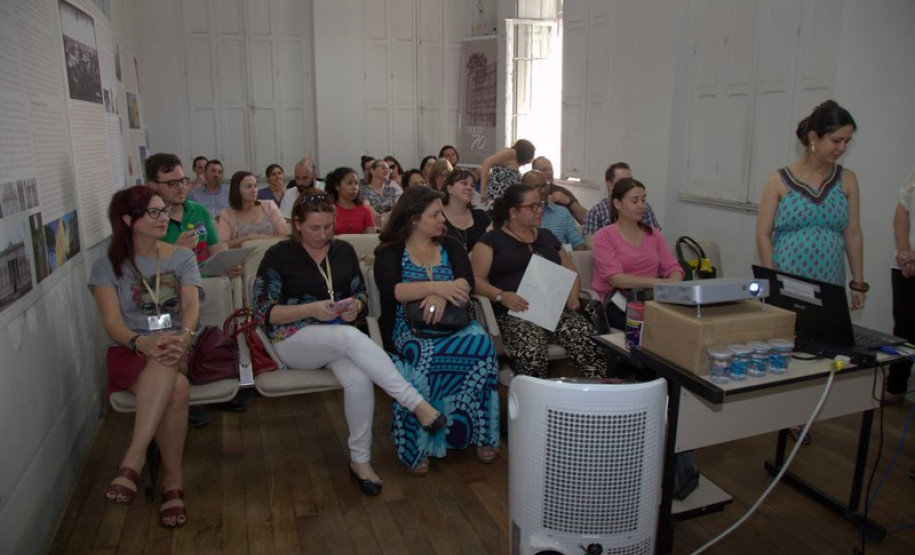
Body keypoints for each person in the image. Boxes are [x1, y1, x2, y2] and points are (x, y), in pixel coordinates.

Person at [251, 193, 445, 494]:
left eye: (328, 227)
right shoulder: (279, 256)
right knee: (350, 337)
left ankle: (360, 461)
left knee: (359, 380)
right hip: (291, 339)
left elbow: (360, 293)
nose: (323, 235)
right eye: (314, 228)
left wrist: (356, 306)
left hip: (337, 337)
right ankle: (416, 404)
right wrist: (311, 310)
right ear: (297, 224)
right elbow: (264, 312)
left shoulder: (343, 250)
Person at [89, 185, 198, 528]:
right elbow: (112, 324)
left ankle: (133, 459)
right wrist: (141, 343)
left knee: (167, 354)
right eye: (153, 212)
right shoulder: (108, 266)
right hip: (130, 349)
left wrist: (183, 337)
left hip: (177, 345)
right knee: (177, 389)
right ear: (128, 220)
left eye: (164, 211)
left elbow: (191, 307)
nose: (163, 218)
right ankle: (173, 481)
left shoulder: (182, 257)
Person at [756, 100, 862, 445]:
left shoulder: (846, 180)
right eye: (836, 140)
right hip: (789, 279)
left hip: (828, 280)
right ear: (814, 138)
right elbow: (763, 233)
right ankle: (782, 413)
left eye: (847, 141)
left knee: (820, 351)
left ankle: (803, 413)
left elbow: (853, 233)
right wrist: (771, 279)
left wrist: (858, 281)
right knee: (787, 348)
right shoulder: (779, 180)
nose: (841, 148)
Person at [374, 187, 500, 472]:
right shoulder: (389, 250)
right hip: (407, 326)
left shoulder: (451, 245)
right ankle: (418, 444)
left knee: (481, 345)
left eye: (442, 213)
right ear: (414, 219)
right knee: (422, 354)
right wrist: (438, 287)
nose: (443, 219)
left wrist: (444, 296)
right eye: (435, 215)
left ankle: (482, 434)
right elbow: (393, 290)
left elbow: (466, 281)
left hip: (453, 320)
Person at [146, 153, 245, 421]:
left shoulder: (197, 211)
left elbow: (215, 250)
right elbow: (142, 268)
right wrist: (174, 249)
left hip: (206, 287)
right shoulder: (147, 219)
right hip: (165, 297)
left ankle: (219, 382)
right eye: (172, 183)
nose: (181, 187)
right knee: (176, 344)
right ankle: (185, 399)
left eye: (183, 180)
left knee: (215, 334)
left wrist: (227, 264)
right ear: (153, 185)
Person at [471, 185, 607, 379]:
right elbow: (475, 280)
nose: (539, 210)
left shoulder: (546, 236)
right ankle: (534, 395)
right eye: (532, 206)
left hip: (554, 310)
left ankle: (595, 393)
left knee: (588, 340)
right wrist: (501, 296)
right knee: (531, 349)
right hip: (516, 312)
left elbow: (571, 271)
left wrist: (573, 296)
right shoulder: (491, 240)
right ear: (514, 212)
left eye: (540, 205)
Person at [591, 178, 684, 329]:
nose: (641, 206)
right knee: (649, 325)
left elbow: (673, 268)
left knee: (683, 322)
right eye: (635, 201)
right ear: (617, 204)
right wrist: (661, 283)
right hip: (618, 299)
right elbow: (616, 279)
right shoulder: (604, 236)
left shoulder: (653, 234)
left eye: (643, 200)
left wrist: (674, 282)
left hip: (652, 298)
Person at [884, 170, 915, 405]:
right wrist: (905, 254)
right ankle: (896, 388)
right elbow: (903, 209)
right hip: (905, 265)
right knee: (904, 329)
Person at [583, 162, 662, 247]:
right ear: (609, 186)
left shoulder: (644, 208)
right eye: (623, 182)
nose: (629, 186)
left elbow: (657, 241)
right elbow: (594, 247)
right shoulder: (596, 213)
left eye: (630, 181)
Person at [217, 170, 288, 247]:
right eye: (248, 187)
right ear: (236, 190)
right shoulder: (227, 214)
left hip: (271, 252)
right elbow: (222, 245)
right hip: (244, 254)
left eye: (255, 186)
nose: (254, 190)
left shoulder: (269, 205)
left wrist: (262, 239)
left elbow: (286, 236)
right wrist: (248, 238)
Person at [522, 170, 586, 251]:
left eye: (545, 185)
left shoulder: (562, 213)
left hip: (561, 257)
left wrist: (575, 257)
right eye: (537, 186)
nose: (543, 190)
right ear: (524, 189)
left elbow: (578, 242)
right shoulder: (520, 215)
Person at [442, 169, 491, 252]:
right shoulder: (437, 216)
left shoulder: (482, 217)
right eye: (464, 183)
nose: (469, 188)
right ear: (450, 188)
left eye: (472, 185)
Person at [531, 156, 586, 224]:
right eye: (544, 170)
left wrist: (569, 202)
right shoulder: (526, 193)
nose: (549, 173)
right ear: (534, 173)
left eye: (551, 169)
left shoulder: (562, 191)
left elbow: (588, 220)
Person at [480, 138, 536, 203]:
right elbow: (487, 163)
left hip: (504, 201)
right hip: (495, 198)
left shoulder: (516, 161)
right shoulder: (511, 152)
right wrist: (483, 191)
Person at [324, 167, 376, 235]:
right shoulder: (329, 210)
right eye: (349, 183)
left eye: (356, 183)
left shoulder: (365, 209)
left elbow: (371, 236)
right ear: (337, 186)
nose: (354, 187)